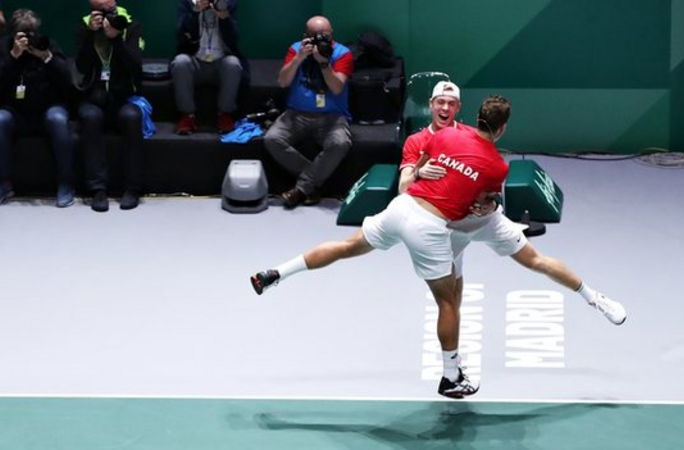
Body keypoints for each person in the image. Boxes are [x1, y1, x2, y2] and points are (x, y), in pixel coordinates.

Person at [251, 95, 514, 399]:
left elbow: (425, 166)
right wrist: (488, 201)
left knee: (346, 246)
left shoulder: (447, 134)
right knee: (448, 302)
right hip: (427, 227)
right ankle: (451, 376)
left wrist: (422, 172)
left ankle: (277, 273)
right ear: (502, 128)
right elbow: (481, 203)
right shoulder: (496, 166)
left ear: (478, 115)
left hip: (400, 208)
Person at [399, 81, 627, 327]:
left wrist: (491, 203)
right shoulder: (416, 141)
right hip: (444, 226)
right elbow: (403, 188)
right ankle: (454, 357)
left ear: (459, 108)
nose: (445, 107)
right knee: (451, 295)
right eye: (440, 102)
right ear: (431, 105)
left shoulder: (469, 135)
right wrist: (420, 172)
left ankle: (594, 298)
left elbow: (489, 179)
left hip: (482, 220)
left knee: (535, 260)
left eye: (451, 103)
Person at [0, 9, 75, 208]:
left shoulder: (46, 45)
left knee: (58, 119)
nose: (28, 39)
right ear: (13, 35)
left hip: (48, 108)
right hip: (14, 111)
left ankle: (66, 184)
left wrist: (47, 58)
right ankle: (2, 185)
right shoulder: (3, 48)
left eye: (31, 33)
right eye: (23, 35)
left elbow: (68, 83)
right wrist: (13, 57)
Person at [263, 15, 353, 209]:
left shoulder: (342, 53)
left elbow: (337, 88)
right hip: (296, 114)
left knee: (340, 143)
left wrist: (323, 63)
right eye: (316, 36)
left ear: (331, 34)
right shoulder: (296, 49)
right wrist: (299, 58)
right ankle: (312, 183)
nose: (321, 39)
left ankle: (302, 188)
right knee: (271, 139)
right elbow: (283, 82)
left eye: (325, 35)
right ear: (306, 36)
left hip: (332, 117)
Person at [75, 0, 144, 212]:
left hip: (122, 97)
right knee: (89, 117)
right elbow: (81, 66)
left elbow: (135, 67)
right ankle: (97, 189)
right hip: (94, 97)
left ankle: (132, 188)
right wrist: (89, 35)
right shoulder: (84, 26)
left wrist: (116, 39)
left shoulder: (129, 25)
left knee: (133, 117)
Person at [171, 0, 246, 135]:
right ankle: (187, 116)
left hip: (220, 61)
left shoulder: (228, 3)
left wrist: (224, 17)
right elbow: (180, 34)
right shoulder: (187, 3)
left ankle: (224, 114)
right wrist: (195, 12)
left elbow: (234, 40)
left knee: (233, 64)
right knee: (180, 62)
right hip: (195, 62)